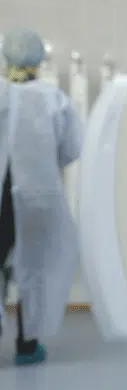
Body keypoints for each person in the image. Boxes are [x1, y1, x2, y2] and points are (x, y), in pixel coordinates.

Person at [0, 29, 83, 365]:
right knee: (34, 268)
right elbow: (71, 149)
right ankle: (27, 345)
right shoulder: (54, 99)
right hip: (37, 197)